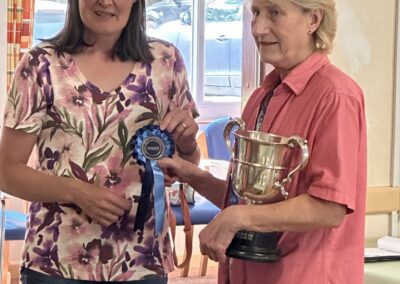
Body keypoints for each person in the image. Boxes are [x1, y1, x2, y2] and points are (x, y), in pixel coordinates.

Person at [158, 0, 367, 283]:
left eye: (275, 13)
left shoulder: (336, 96)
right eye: (255, 13)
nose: (258, 28)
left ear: (314, 20)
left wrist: (237, 218)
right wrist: (191, 175)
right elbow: (247, 201)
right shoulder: (261, 98)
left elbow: (329, 208)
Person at [0, 0, 200, 283]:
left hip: (142, 262)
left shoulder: (166, 61)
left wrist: (189, 143)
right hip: (56, 262)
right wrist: (77, 192)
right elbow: (7, 172)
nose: (106, 1)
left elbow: (187, 166)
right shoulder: (40, 65)